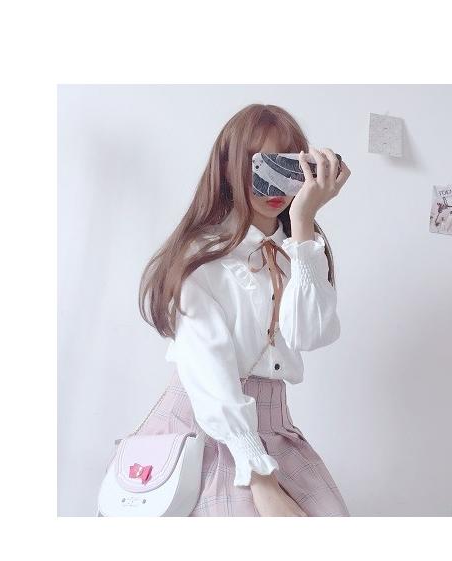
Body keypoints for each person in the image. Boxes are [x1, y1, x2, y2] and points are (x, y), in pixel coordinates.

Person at [138, 103, 351, 516]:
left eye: (286, 164)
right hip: (209, 423)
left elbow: (309, 335)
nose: (272, 182)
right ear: (228, 168)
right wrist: (260, 478)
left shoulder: (301, 253)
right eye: (259, 164)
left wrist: (304, 221)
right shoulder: (200, 257)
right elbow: (208, 370)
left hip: (276, 429)